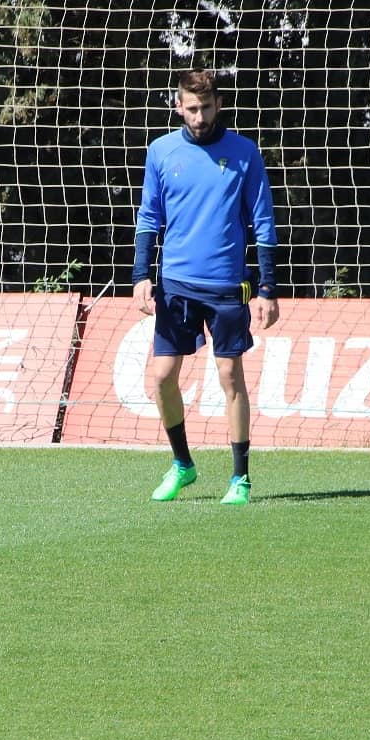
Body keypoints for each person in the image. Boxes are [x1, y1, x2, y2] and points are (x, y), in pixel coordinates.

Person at [132, 69, 280, 505]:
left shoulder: (244, 153)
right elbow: (148, 218)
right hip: (175, 284)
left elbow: (263, 222)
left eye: (206, 107)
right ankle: (183, 464)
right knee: (161, 378)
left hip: (227, 287)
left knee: (230, 374)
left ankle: (240, 478)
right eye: (191, 108)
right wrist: (142, 275)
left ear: (219, 106)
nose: (199, 116)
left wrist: (267, 288)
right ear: (178, 106)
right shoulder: (161, 151)